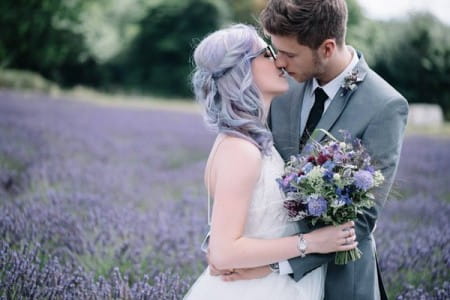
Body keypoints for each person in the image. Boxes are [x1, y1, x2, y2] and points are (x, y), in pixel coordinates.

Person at [212, 1, 409, 300]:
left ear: (327, 48)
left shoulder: (385, 106)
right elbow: (247, 183)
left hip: (340, 281)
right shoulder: (279, 86)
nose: (280, 62)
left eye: (289, 54)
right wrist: (224, 246)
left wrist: (275, 266)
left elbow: (361, 220)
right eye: (276, 52)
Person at [184, 24, 358, 300]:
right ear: (242, 71)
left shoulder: (250, 140)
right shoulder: (240, 149)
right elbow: (224, 252)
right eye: (266, 54)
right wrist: (311, 242)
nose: (278, 60)